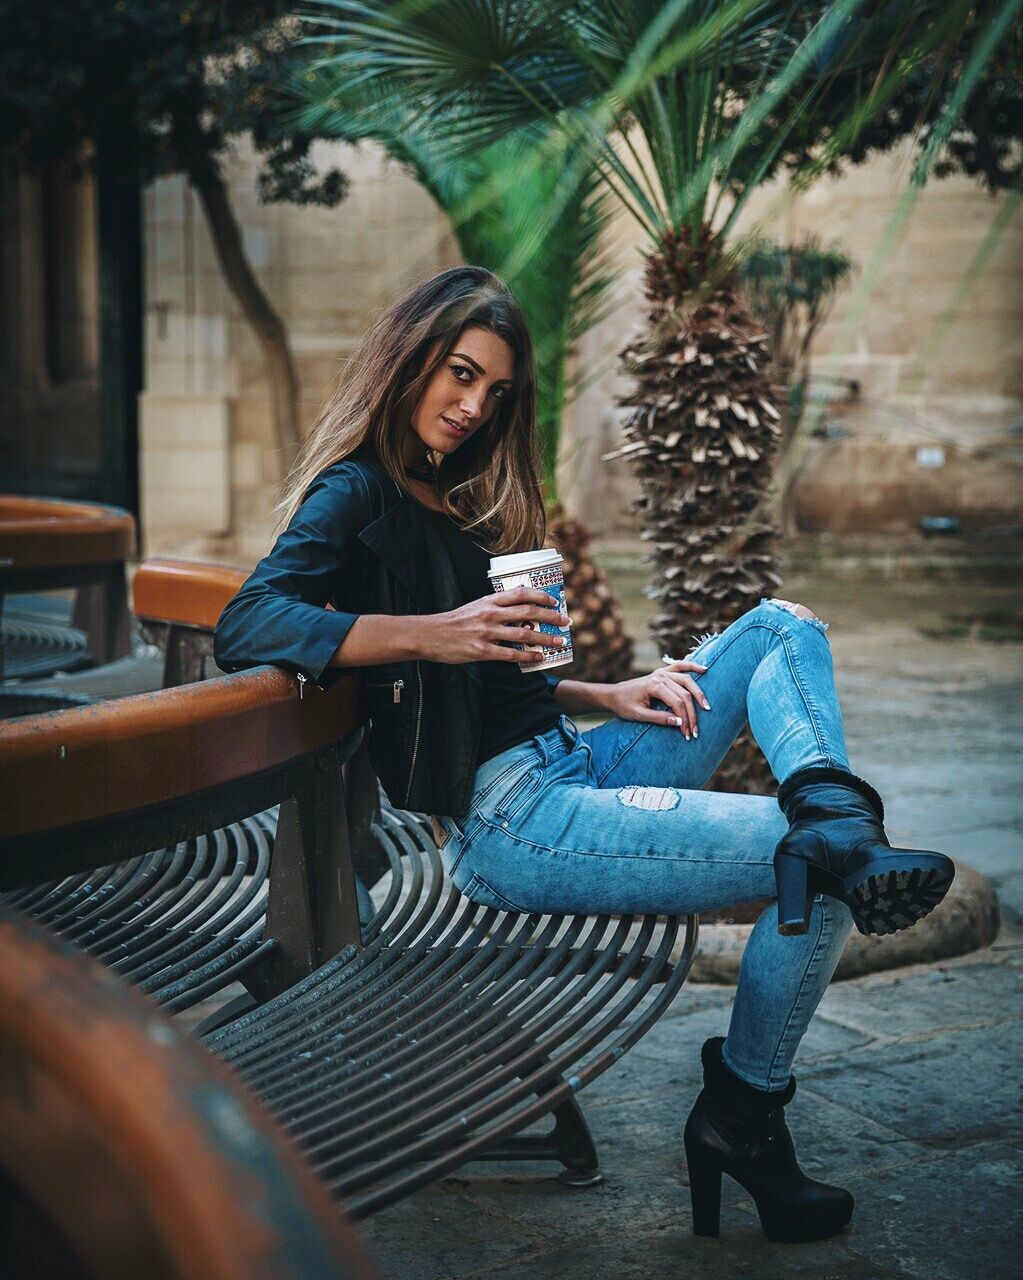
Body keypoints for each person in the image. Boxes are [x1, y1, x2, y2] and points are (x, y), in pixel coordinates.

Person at [213, 265, 955, 1245]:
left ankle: (839, 815)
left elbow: (494, 678)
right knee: (808, 861)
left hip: (575, 757)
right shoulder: (355, 493)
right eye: (460, 374)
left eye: (495, 392)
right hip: (509, 816)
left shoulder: (452, 495)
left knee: (779, 627)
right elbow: (249, 619)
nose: (474, 405)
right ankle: (741, 1115)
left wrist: (608, 692)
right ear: (410, 358)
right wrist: (436, 630)